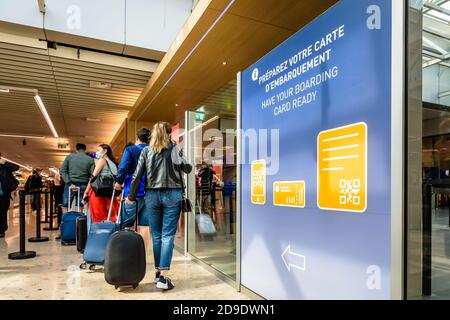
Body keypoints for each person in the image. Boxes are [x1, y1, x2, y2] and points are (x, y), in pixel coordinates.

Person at [127, 121, 192, 291]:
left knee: (156, 235)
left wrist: (131, 197)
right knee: (167, 235)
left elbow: (137, 176)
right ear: (169, 134)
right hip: (172, 194)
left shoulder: (146, 151)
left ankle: (158, 272)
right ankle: (163, 276)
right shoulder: (174, 149)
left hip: (152, 195)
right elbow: (188, 168)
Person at [114, 128, 151, 235]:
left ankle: (126, 251)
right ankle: (141, 251)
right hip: (150, 194)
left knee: (125, 225)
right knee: (145, 226)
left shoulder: (131, 150)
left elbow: (123, 167)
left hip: (133, 192)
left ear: (137, 138)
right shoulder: (153, 151)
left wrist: (118, 182)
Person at [82, 144, 119, 223]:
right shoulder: (113, 163)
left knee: (97, 216)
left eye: (99, 150)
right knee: (110, 216)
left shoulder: (102, 160)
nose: (97, 152)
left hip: (98, 193)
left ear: (105, 151)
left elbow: (93, 177)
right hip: (110, 192)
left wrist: (86, 192)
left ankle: (97, 234)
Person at [60, 143, 94, 213]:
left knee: (65, 204)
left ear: (76, 149)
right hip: (84, 185)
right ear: (85, 149)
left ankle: (65, 221)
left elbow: (62, 170)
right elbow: (93, 174)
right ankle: (79, 222)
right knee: (80, 205)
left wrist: (68, 182)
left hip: (70, 184)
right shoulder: (90, 159)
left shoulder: (69, 157)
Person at [0, 154, 20, 238]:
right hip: (3, 193)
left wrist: (4, 163)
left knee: (2, 212)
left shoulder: (4, 166)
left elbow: (16, 167)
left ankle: (1, 230)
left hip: (3, 193)